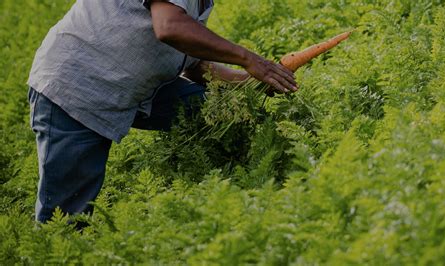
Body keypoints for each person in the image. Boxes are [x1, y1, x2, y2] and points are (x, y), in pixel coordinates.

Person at [27, 0, 297, 223]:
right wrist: (250, 59)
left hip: (128, 84)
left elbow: (193, 63)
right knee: (65, 220)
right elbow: (169, 27)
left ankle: (228, 185)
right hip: (78, 84)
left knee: (220, 111)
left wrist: (253, 82)